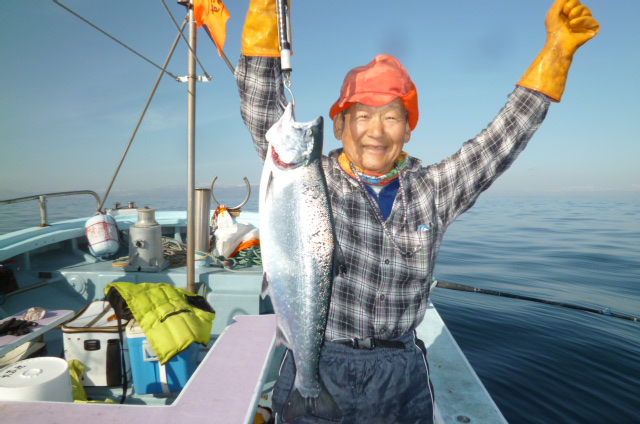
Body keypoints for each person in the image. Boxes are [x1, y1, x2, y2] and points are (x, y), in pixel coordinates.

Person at [236, 1, 599, 423]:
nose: (376, 130)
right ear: (338, 126)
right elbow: (262, 101)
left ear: (408, 130)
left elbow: (501, 140)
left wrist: (555, 54)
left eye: (392, 117)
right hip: (318, 358)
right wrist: (266, 12)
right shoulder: (302, 178)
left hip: (400, 372)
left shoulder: (434, 190)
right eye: (363, 115)